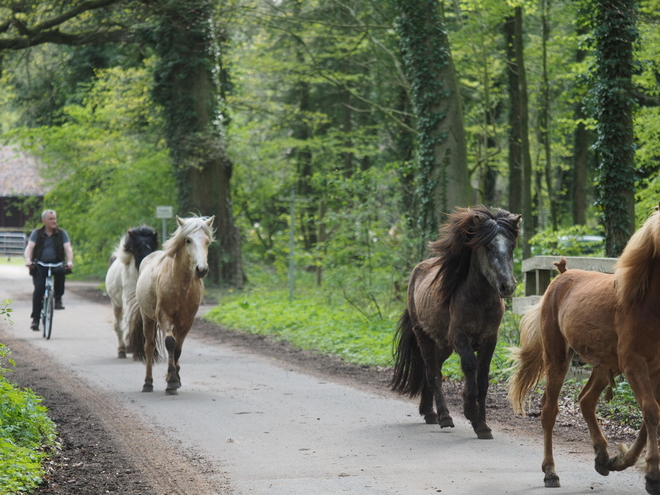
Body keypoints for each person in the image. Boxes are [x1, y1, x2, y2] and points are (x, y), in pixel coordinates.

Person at [24, 210, 74, 331]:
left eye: (54, 219)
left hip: (56, 263)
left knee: (61, 271)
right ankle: (35, 319)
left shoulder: (61, 234)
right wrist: (28, 260)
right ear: (44, 221)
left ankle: (58, 299)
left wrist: (70, 261)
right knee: (38, 290)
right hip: (40, 265)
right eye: (51, 219)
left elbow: (68, 249)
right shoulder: (37, 233)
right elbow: (29, 248)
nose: (53, 221)